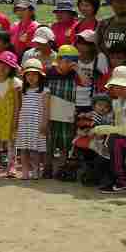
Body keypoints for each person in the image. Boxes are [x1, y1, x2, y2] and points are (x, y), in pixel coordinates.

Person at [46, 45, 80, 179]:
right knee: (49, 142)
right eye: (66, 60)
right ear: (59, 60)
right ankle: (47, 167)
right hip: (51, 113)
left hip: (67, 115)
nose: (69, 64)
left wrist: (78, 70)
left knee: (65, 144)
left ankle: (61, 168)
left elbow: (86, 82)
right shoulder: (49, 72)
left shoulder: (75, 75)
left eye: (73, 62)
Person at [0, 51, 21, 177]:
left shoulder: (15, 82)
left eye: (7, 65)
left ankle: (11, 165)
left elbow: (18, 104)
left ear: (11, 68)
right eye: (1, 64)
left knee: (12, 142)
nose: (3, 67)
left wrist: (16, 119)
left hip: (10, 117)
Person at [16, 58, 49, 180]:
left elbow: (46, 109)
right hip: (24, 123)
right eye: (28, 74)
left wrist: (44, 123)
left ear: (40, 76)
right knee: (24, 149)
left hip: (37, 124)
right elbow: (19, 107)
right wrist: (17, 122)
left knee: (35, 150)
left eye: (34, 74)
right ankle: (25, 171)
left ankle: (36, 170)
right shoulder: (22, 91)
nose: (31, 77)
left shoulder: (45, 91)